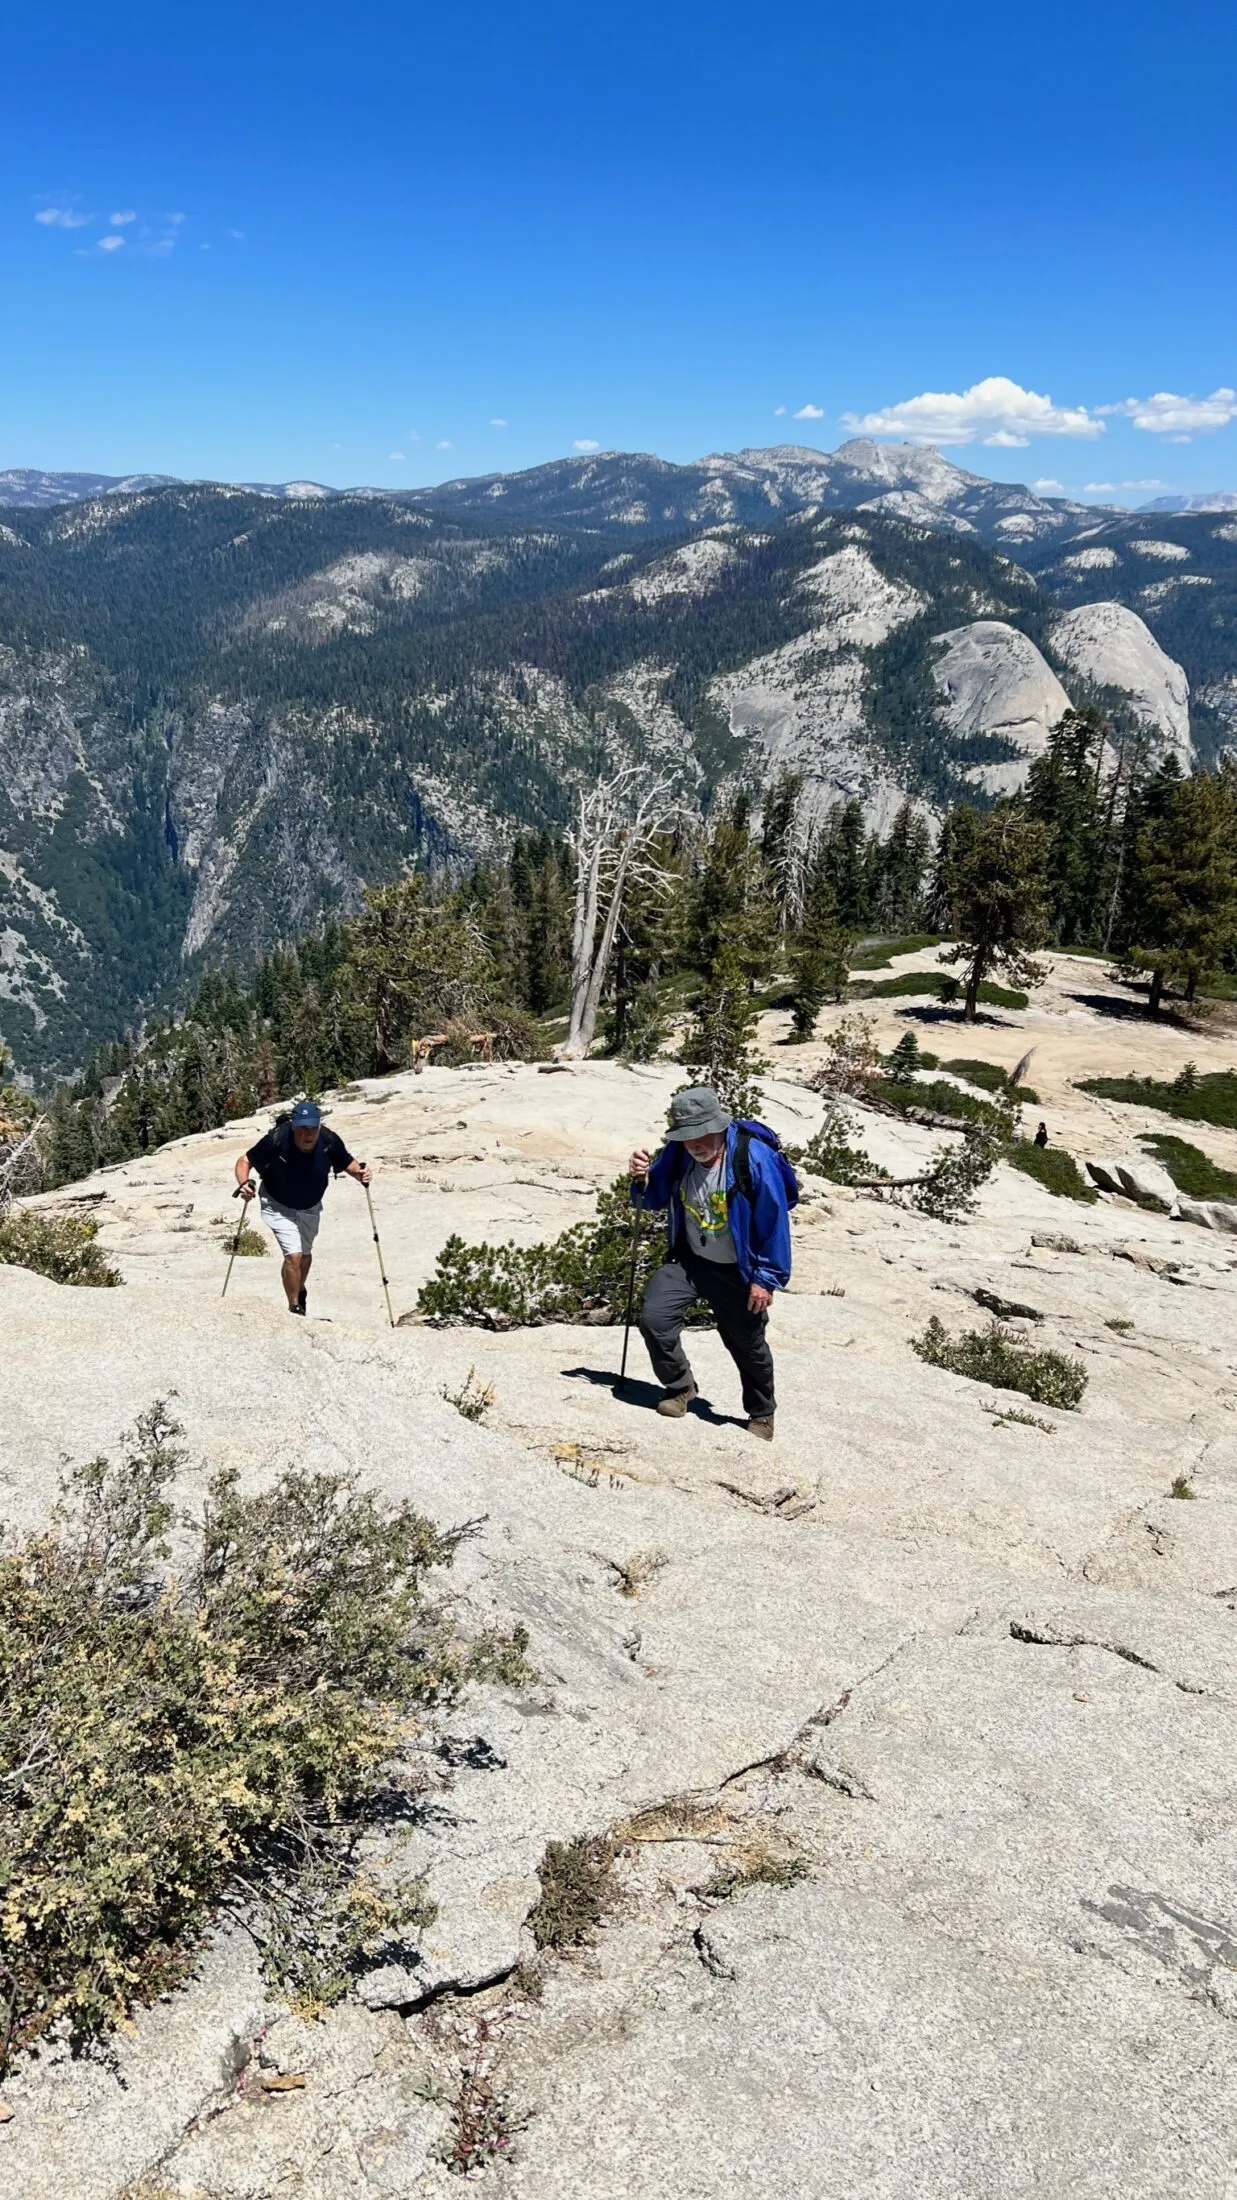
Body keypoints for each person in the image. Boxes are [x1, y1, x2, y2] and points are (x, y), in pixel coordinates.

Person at [627, 1085, 792, 1441]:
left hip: (738, 1270)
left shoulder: (753, 1158)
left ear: (718, 1126)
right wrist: (641, 1178)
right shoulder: (678, 1154)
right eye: (686, 1137)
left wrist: (766, 1277)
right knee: (654, 1319)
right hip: (690, 1260)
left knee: (746, 1343)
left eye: (701, 1134)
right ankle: (681, 1387)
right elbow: (650, 1200)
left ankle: (762, 1412)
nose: (695, 1144)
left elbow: (774, 1220)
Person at [235, 1098, 371, 1316]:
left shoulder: (328, 1140)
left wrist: (360, 1174)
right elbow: (244, 1161)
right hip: (277, 1204)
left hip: (310, 1206)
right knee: (294, 1256)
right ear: (294, 1127)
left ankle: (299, 1289)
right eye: (302, 1128)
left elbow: (347, 1162)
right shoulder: (277, 1139)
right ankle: (294, 1307)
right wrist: (243, 1183)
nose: (308, 1134)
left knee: (305, 1255)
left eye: (313, 1128)